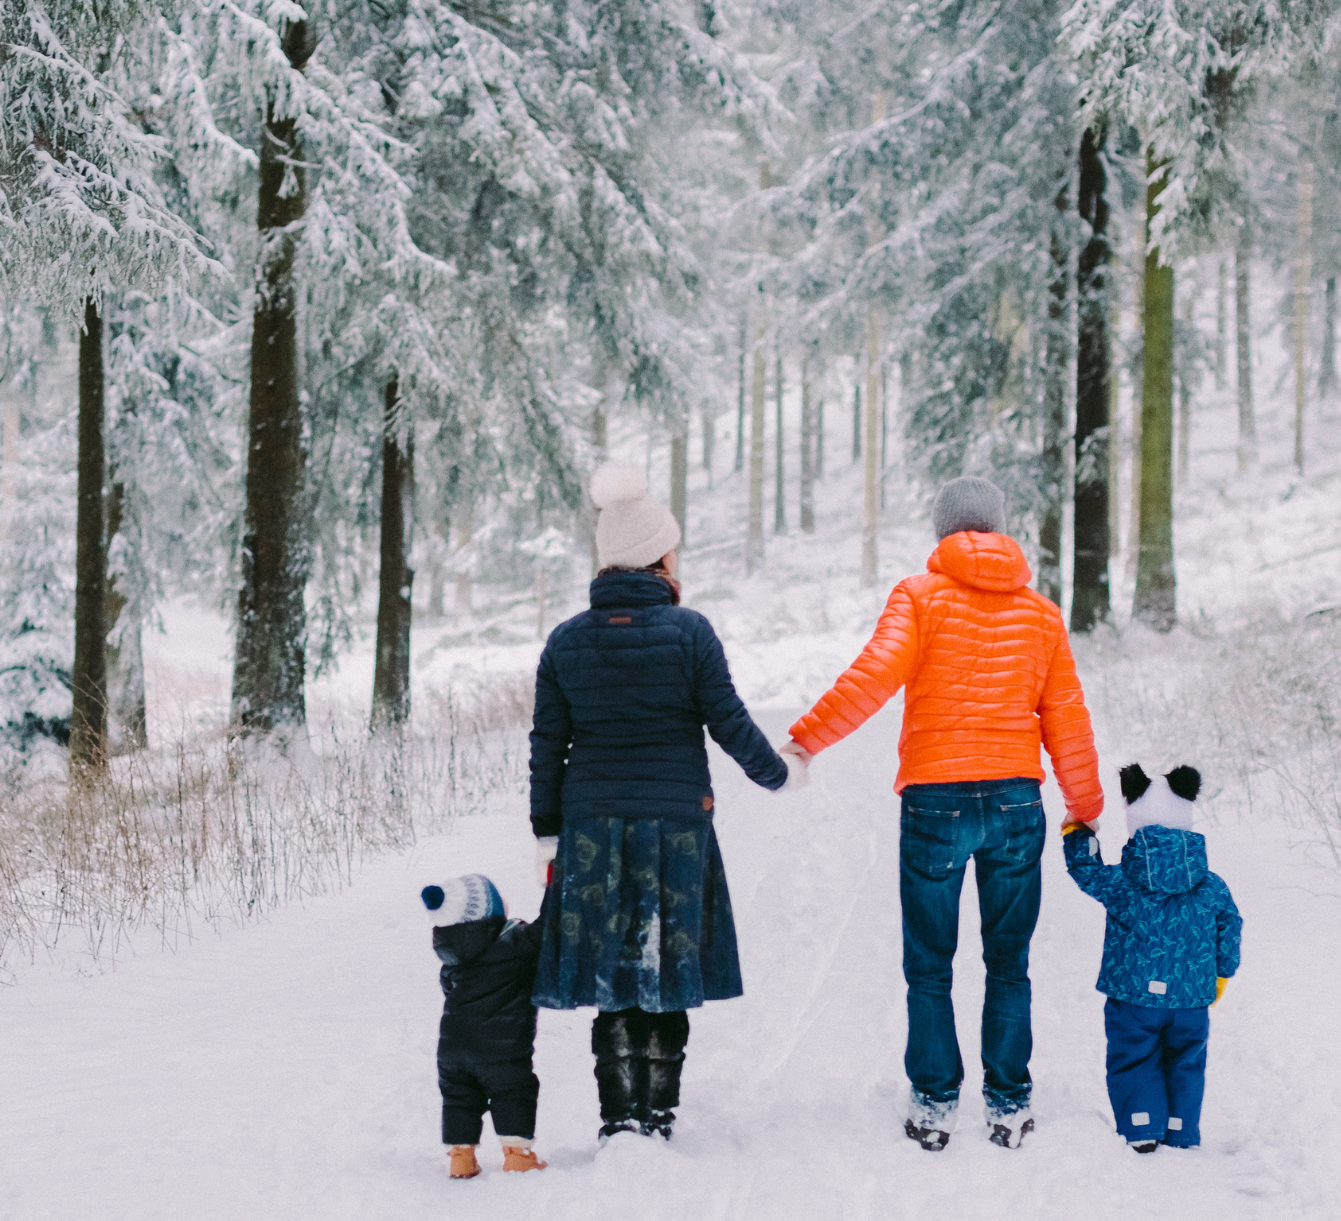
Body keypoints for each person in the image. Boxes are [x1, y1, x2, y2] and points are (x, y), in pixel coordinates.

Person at [786, 475, 1103, 1152]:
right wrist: (1086, 806)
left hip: (935, 800)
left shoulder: (919, 597)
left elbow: (872, 674)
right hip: (1017, 800)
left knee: (930, 960)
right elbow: (1067, 720)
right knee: (1008, 959)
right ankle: (1009, 1100)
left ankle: (934, 1099)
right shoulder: (1042, 615)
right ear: (1000, 528)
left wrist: (807, 739)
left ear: (943, 533)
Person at [530, 462, 803, 1141]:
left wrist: (546, 831)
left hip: (591, 828)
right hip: (677, 827)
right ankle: (658, 1111)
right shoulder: (690, 633)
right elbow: (729, 721)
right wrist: (781, 773)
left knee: (612, 975)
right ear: (658, 554)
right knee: (665, 968)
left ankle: (618, 1115)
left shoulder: (565, 641)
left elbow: (547, 745)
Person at [1062, 764, 1242, 1152]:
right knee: (1186, 1063)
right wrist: (1221, 974)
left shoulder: (1125, 881)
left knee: (1134, 1058)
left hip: (1133, 997)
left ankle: (1142, 1127)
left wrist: (1077, 834)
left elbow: (1086, 872)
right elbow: (1230, 924)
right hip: (1191, 998)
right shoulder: (1210, 884)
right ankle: (1180, 1130)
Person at [426, 874, 548, 1179]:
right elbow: (548, 927)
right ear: (487, 915)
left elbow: (447, 989)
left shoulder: (453, 958)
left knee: (459, 1098)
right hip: (502, 1048)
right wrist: (554, 884)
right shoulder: (514, 944)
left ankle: (461, 1158)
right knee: (513, 1091)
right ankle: (518, 1156)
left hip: (452, 1050)